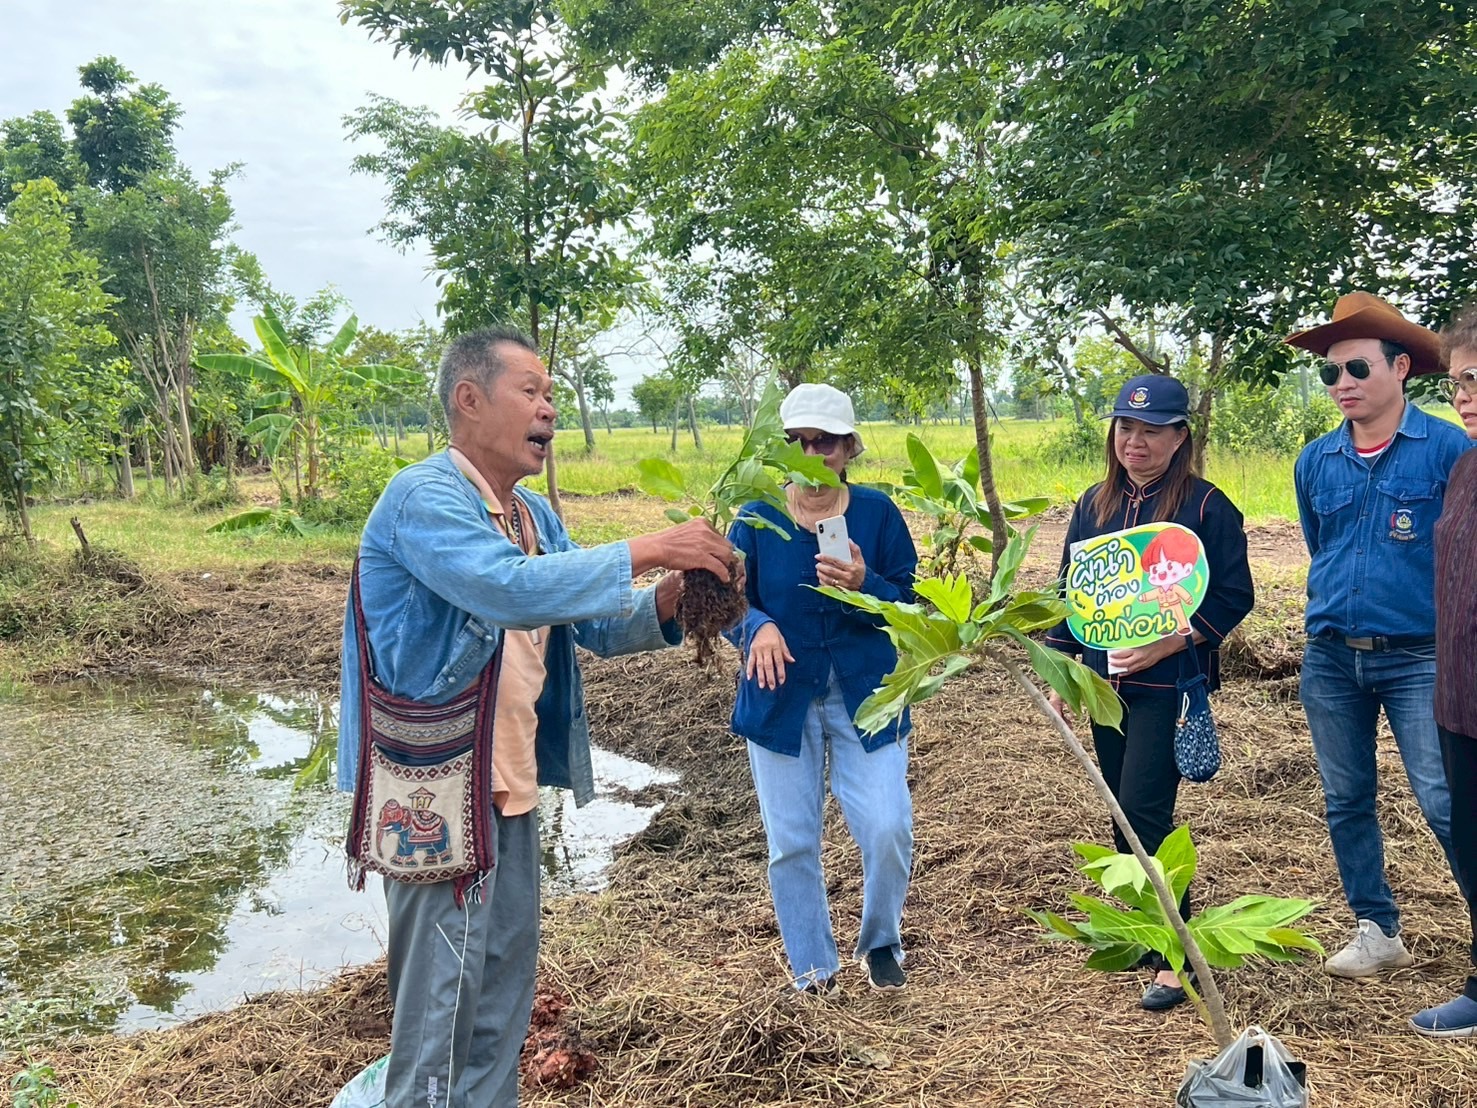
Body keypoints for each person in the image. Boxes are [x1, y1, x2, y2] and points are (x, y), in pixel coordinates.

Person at [336, 327, 735, 1108]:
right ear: (469, 398)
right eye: (532, 392)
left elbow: (593, 621)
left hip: (506, 786)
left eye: (551, 395)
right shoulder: (423, 497)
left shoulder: (529, 517)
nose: (549, 409)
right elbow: (506, 590)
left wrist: (677, 594)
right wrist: (651, 545)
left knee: (499, 992)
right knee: (440, 1004)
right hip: (432, 792)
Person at [1046, 373, 1254, 1011]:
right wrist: (1063, 672)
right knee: (1119, 813)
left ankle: (1177, 956)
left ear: (1179, 436)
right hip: (1106, 684)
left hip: (1169, 684)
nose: (1135, 442)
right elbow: (1069, 595)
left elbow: (1233, 596)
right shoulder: (1094, 504)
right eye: (1125, 428)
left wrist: (1170, 643)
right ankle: (1147, 928)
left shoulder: (1207, 506)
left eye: (1152, 430)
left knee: (1144, 812)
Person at [1286, 292, 1471, 979]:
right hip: (1331, 658)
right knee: (1345, 798)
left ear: (1399, 368)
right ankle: (1375, 928)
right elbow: (1320, 546)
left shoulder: (1449, 449)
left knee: (1443, 798)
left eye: (1355, 369)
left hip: (1420, 657)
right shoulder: (1315, 462)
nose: (1341, 386)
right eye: (1329, 374)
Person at [727, 383, 919, 995]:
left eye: (826, 442)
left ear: (848, 448)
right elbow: (727, 601)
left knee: (889, 826)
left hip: (867, 693)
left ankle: (881, 941)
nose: (813, 455)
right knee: (792, 842)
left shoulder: (877, 514)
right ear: (783, 451)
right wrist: (755, 627)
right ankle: (812, 967)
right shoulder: (756, 518)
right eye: (800, 443)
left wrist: (868, 582)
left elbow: (914, 607)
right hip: (780, 696)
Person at [1411, 303, 1477, 1037]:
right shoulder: (1463, 470)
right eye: (1456, 380)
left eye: (1474, 377)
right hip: (1457, 698)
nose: (1461, 394)